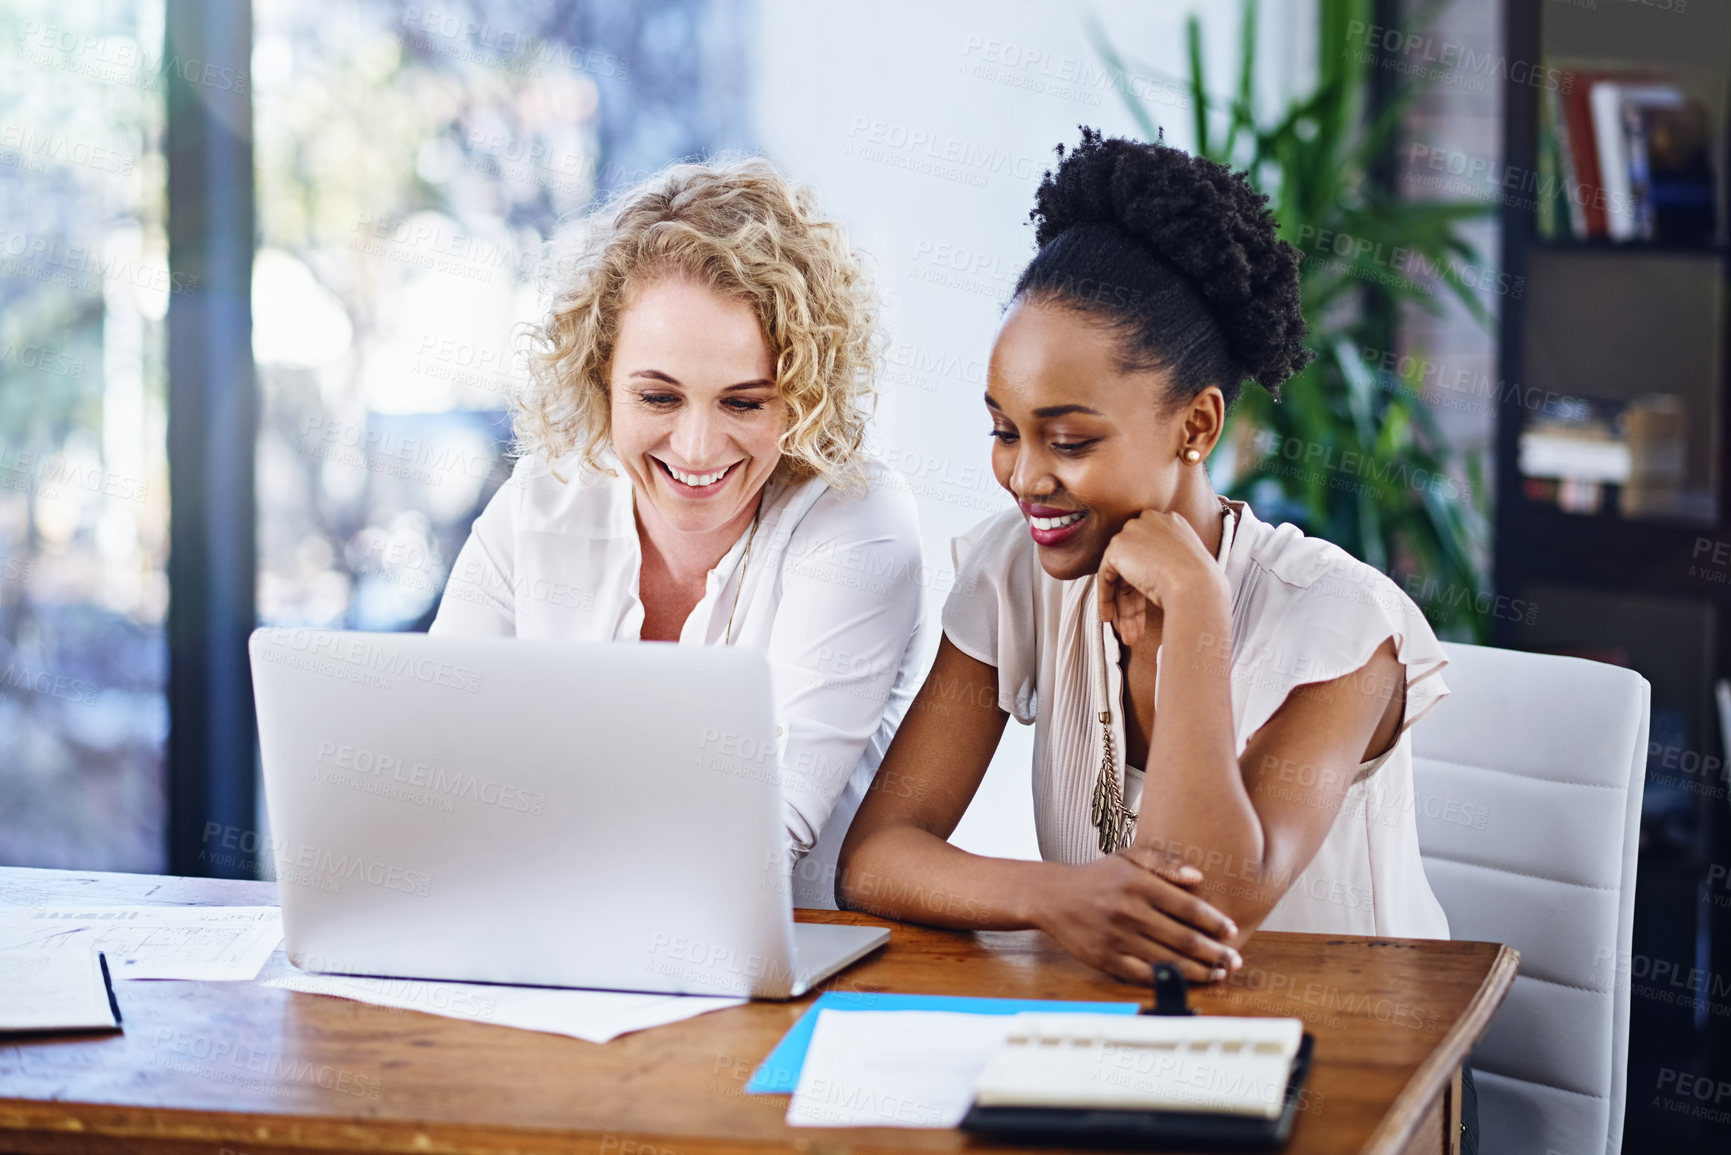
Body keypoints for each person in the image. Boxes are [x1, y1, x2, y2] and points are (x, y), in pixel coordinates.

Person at [431, 157, 929, 909]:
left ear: (802, 394)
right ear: (601, 376)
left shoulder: (860, 524)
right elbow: (432, 768)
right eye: (658, 396)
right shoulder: (542, 499)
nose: (696, 449)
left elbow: (762, 834)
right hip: (552, 950)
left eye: (744, 403)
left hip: (785, 981)